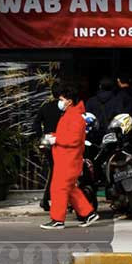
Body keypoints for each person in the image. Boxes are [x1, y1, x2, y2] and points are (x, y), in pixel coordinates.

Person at [40, 85, 99, 229]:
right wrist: (54, 137)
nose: (59, 102)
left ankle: (58, 219)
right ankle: (88, 213)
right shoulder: (71, 115)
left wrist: (56, 139)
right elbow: (69, 136)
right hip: (66, 159)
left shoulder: (75, 117)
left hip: (68, 160)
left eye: (61, 99)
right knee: (70, 189)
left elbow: (74, 140)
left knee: (59, 189)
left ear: (69, 101)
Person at [33, 83, 63, 211]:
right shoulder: (65, 109)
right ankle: (48, 199)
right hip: (62, 143)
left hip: (49, 143)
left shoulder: (46, 107)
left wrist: (42, 137)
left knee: (54, 170)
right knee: (58, 172)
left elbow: (36, 123)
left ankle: (47, 199)